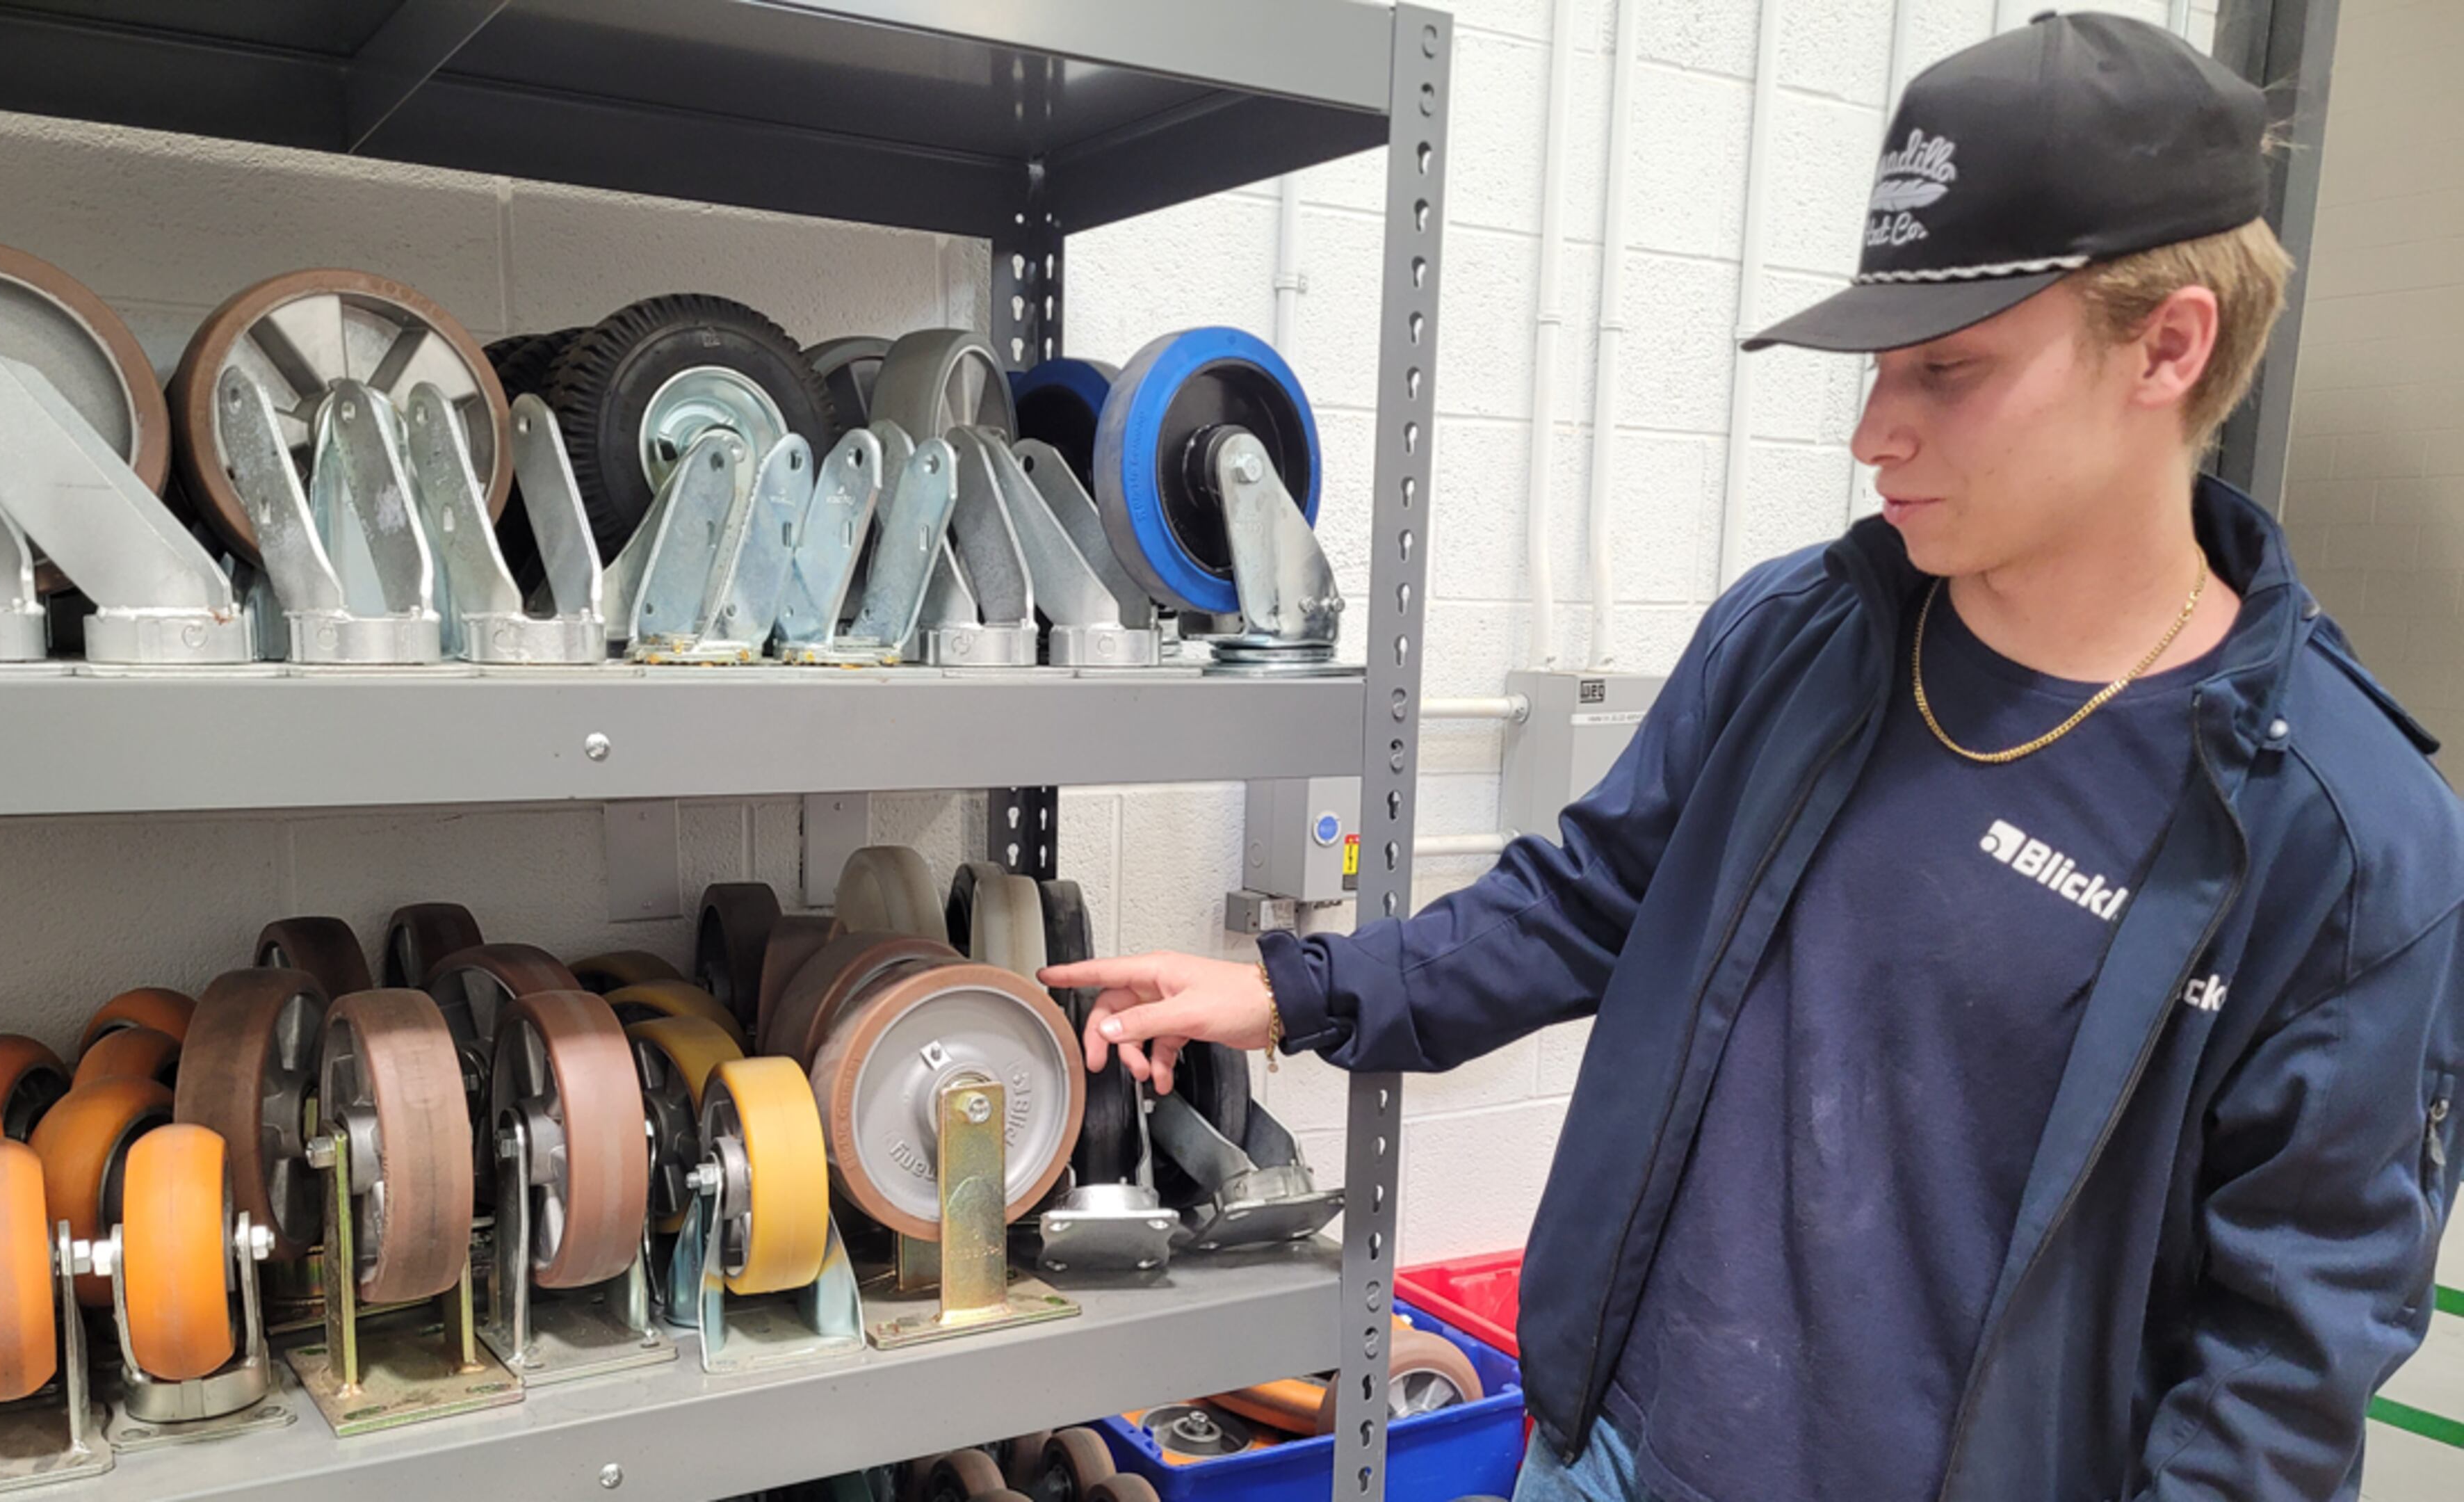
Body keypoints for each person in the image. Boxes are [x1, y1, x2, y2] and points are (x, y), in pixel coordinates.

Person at [1039, 14, 2464, 1501]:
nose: (1872, 432)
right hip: (1614, 1457)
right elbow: (1593, 897)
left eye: (1948, 372)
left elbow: (2277, 1380)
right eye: (1874, 367)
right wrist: (1298, 990)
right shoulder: (1810, 637)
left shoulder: (2342, 843)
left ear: (2169, 345)